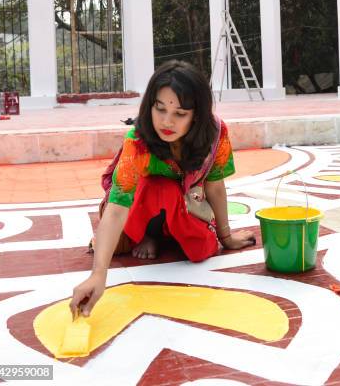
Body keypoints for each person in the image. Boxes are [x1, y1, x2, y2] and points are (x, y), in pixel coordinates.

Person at [70, 60, 256, 317]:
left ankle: (170, 233)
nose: (167, 122)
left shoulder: (215, 134)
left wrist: (226, 237)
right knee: (159, 187)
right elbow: (117, 208)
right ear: (150, 107)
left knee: (202, 250)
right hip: (141, 211)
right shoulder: (138, 141)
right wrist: (98, 275)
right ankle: (150, 235)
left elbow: (214, 185)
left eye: (180, 114)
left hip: (184, 204)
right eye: (160, 109)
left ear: (197, 115)